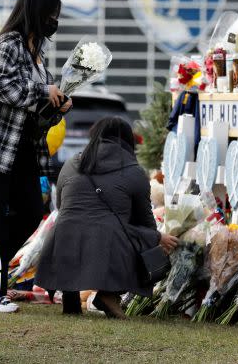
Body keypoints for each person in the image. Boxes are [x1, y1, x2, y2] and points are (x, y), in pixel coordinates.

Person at [0, 0, 72, 314]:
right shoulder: (9, 44)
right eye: (51, 15)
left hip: (24, 151)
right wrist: (42, 91)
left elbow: (37, 110)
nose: (54, 21)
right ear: (36, 13)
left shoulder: (39, 53)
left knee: (31, 213)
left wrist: (57, 107)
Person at [36, 117, 179, 319]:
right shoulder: (134, 172)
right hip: (107, 245)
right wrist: (158, 237)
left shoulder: (70, 163)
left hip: (61, 243)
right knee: (135, 236)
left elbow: (61, 206)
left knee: (73, 224)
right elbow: (144, 222)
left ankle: (70, 294)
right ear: (128, 142)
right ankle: (108, 294)